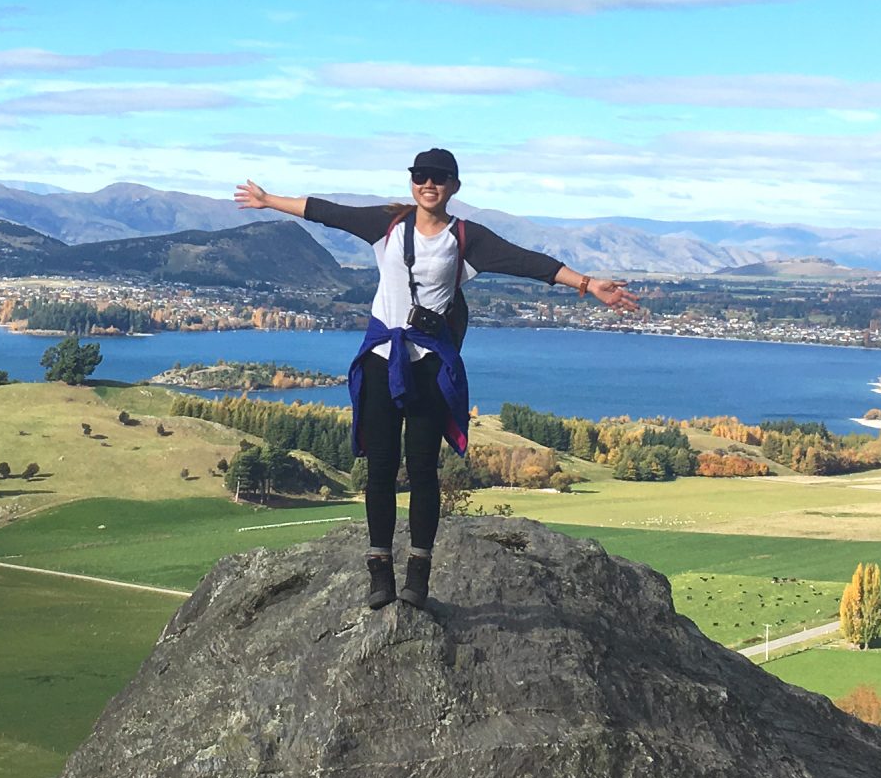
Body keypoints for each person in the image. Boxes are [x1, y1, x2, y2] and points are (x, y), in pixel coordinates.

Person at [235, 148, 641, 610]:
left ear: (454, 186)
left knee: (423, 469)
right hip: (382, 359)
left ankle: (418, 576)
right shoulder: (386, 224)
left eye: (440, 178)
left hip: (428, 363)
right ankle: (379, 573)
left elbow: (530, 262)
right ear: (412, 181)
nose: (430, 184)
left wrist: (587, 284)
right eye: (422, 176)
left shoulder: (465, 239)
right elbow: (326, 212)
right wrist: (269, 200)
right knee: (382, 465)